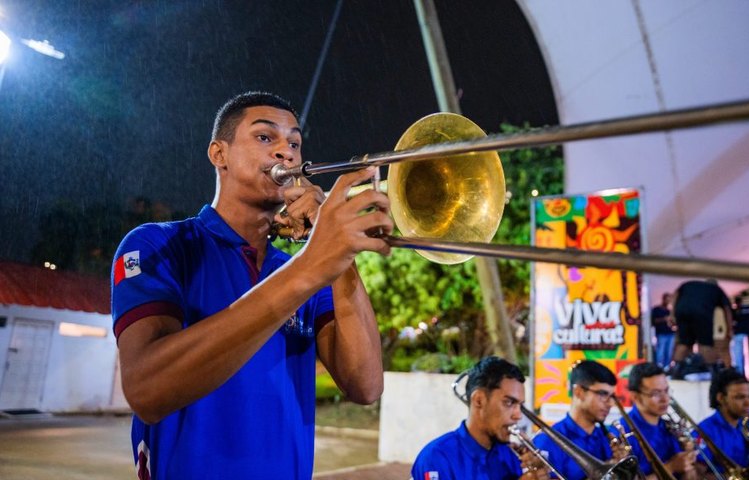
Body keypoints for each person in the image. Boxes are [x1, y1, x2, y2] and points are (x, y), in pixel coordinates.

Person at [111, 91, 394, 480]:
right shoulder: (158, 244)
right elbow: (147, 390)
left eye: (294, 143)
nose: (287, 154)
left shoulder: (307, 270)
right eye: (265, 138)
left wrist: (340, 257)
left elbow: (365, 386)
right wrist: (312, 264)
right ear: (218, 154)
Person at [411, 357, 550, 480]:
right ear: (479, 400)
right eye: (509, 402)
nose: (518, 415)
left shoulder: (511, 456)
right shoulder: (437, 458)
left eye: (520, 405)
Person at [532, 360, 627, 480]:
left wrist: (620, 466)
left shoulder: (606, 439)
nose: (610, 403)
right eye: (603, 394)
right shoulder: (548, 440)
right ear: (579, 392)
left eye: (612, 396)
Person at [620, 362, 697, 479]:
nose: (665, 399)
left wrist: (688, 459)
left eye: (666, 391)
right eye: (655, 393)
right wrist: (671, 467)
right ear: (635, 396)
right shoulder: (622, 432)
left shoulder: (669, 427)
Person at [697, 368, 749, 475]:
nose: (748, 403)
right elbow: (697, 474)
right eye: (740, 397)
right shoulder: (705, 431)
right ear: (721, 398)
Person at [671, 279, 733, 374]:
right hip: (702, 313)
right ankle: (714, 371)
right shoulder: (716, 289)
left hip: (682, 311)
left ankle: (676, 370)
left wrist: (672, 313)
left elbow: (675, 294)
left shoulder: (688, 284)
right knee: (705, 344)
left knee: (684, 343)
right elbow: (727, 310)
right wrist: (729, 329)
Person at [731, 296, 749, 375]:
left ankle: (740, 374)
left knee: (738, 357)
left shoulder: (735, 311)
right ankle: (747, 373)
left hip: (738, 335)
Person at [651, 293, 675, 370]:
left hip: (670, 333)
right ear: (664, 299)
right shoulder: (657, 309)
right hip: (661, 334)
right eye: (667, 299)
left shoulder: (669, 311)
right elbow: (653, 321)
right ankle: (659, 367)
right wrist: (664, 319)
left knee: (669, 351)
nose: (668, 301)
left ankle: (667, 367)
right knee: (661, 351)